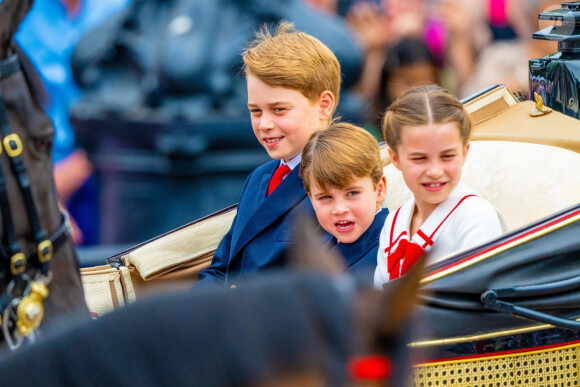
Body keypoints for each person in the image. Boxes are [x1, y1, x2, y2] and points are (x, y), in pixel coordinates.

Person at [195, 21, 340, 288]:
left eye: (279, 110)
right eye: (256, 111)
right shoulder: (259, 178)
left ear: (323, 105)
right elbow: (221, 268)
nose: (264, 124)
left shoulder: (339, 183)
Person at [374, 85, 508, 287]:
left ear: (464, 153)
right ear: (395, 158)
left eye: (447, 156)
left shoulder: (475, 217)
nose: (435, 171)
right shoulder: (393, 223)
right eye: (419, 158)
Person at [299, 122, 388, 283]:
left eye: (352, 193)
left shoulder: (394, 250)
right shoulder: (316, 248)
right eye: (325, 197)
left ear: (380, 189)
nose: (339, 209)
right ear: (311, 199)